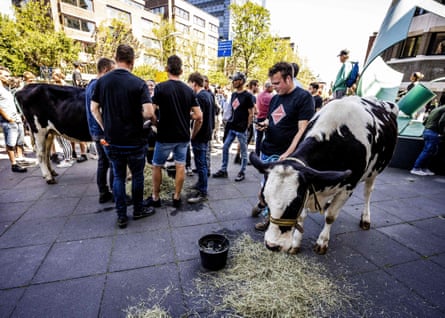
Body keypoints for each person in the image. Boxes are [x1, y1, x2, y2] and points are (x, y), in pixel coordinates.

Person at [91, 44, 156, 229]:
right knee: (137, 176)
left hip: (113, 140)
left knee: (118, 176)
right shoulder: (138, 82)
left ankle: (121, 215)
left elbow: (94, 108)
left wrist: (105, 126)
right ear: (132, 61)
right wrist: (134, 115)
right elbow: (149, 112)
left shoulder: (102, 82)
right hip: (135, 140)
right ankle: (137, 209)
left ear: (116, 58)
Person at [253, 62, 315, 231]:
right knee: (264, 188)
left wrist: (288, 153)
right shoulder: (275, 98)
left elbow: (302, 129)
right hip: (267, 149)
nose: (274, 87)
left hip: (283, 154)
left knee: (275, 191)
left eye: (277, 83)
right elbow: (272, 119)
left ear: (288, 78)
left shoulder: (304, 97)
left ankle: (270, 219)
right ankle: (264, 207)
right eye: (272, 83)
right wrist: (264, 124)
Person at [144, 55, 202, 208]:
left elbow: (151, 112)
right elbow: (198, 115)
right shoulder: (188, 90)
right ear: (181, 71)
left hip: (165, 135)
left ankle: (156, 197)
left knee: (157, 165)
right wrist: (185, 115)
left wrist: (156, 122)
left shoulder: (160, 87)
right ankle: (176, 197)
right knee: (180, 165)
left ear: (167, 69)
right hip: (182, 135)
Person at [213, 72, 254, 182]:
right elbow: (232, 109)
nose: (233, 82)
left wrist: (246, 126)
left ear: (241, 81)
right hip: (232, 127)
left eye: (235, 80)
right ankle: (223, 170)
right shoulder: (234, 94)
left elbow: (251, 113)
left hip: (241, 129)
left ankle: (242, 172)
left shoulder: (248, 96)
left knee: (244, 152)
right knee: (225, 147)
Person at [85, 57, 116, 204]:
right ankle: (114, 193)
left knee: (103, 162)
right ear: (105, 70)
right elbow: (95, 109)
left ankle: (103, 192)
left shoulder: (90, 84)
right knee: (112, 162)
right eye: (112, 71)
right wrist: (106, 128)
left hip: (95, 131)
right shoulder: (99, 85)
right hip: (102, 132)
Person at [187, 72, 214, 203]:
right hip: (206, 133)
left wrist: (193, 135)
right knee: (199, 163)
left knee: (201, 164)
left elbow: (199, 119)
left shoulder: (200, 97)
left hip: (201, 135)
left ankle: (203, 192)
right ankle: (200, 184)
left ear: (194, 83)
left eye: (189, 83)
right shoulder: (207, 94)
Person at [0, 66, 29, 172]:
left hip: (16, 117)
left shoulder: (6, 87)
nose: (8, 77)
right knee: (11, 143)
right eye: (5, 75)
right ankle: (14, 164)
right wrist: (7, 117)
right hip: (8, 119)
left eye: (8, 75)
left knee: (20, 140)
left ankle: (20, 159)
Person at [410, 103, 445, 176]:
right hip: (434, 132)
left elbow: (424, 122)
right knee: (428, 151)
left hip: (427, 131)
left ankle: (424, 168)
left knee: (431, 151)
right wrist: (441, 133)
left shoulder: (436, 109)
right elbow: (442, 122)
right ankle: (416, 168)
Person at [234, 79, 258, 164]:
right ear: (253, 86)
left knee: (242, 139)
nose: (258, 88)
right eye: (257, 86)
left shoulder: (246, 94)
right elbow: (254, 109)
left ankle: (237, 156)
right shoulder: (251, 96)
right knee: (245, 140)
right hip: (247, 121)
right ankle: (243, 158)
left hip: (241, 120)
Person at [254, 81, 274, 155]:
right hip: (267, 119)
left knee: (259, 138)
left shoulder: (259, 95)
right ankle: (265, 154)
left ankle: (257, 154)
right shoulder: (271, 97)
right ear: (268, 87)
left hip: (259, 118)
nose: (273, 88)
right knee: (268, 137)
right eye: (272, 87)